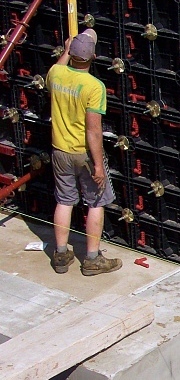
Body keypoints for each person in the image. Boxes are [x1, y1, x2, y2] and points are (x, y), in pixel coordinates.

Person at [46, 30, 122, 276]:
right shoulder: (94, 86)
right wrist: (98, 165)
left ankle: (60, 254)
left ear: (70, 53)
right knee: (96, 202)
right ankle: (91, 259)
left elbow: (58, 67)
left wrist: (67, 49)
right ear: (94, 57)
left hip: (59, 150)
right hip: (84, 154)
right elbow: (93, 131)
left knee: (64, 201)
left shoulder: (55, 73)